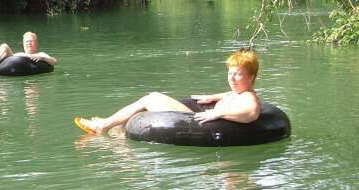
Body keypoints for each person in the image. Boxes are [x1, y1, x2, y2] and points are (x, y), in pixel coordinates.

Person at [74, 49, 262, 134]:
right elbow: (230, 95)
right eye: (229, 73)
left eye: (237, 75)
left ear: (252, 77)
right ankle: (113, 128)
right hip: (198, 117)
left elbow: (251, 112)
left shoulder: (249, 97)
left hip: (197, 123)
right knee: (150, 101)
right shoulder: (237, 92)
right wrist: (213, 97)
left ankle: (103, 126)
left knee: (152, 98)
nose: (231, 78)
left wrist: (218, 112)